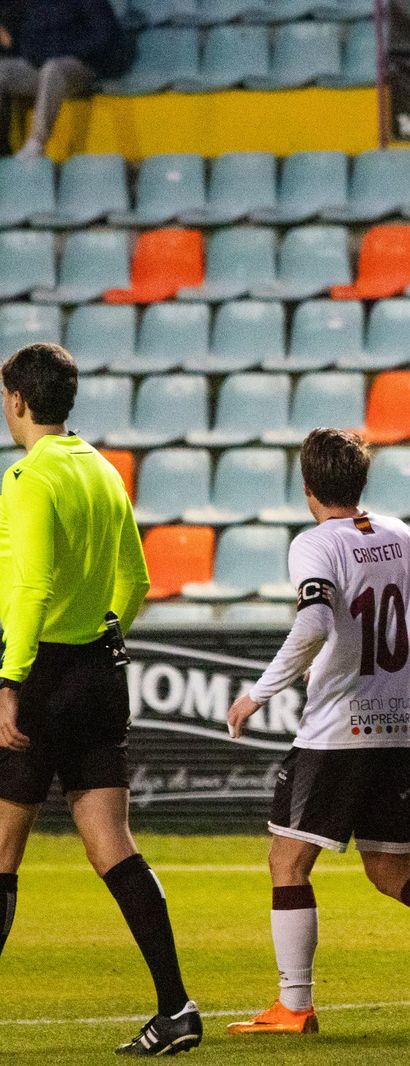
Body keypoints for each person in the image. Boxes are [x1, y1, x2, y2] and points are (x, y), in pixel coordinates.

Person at [224, 428, 410, 1037]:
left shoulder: (314, 544)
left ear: (307, 487)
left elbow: (312, 621)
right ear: (361, 482)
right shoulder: (398, 533)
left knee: (288, 859)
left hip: (336, 730)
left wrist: (260, 691)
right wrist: (382, 653)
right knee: (389, 868)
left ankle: (295, 1004)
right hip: (394, 727)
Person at [0, 342, 200, 1056]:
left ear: (18, 400)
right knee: (113, 846)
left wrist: (10, 680)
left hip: (44, 674)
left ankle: (178, 1009)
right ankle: (176, 1007)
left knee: (1, 853)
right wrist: (111, 633)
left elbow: (27, 589)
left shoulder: (28, 478)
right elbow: (137, 580)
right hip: (99, 670)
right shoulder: (103, 472)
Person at [0, 0, 132, 158]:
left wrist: (57, 52)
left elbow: (103, 36)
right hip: (46, 63)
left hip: (85, 65)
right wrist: (24, 49)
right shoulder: (35, 5)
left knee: (53, 68)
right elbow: (29, 41)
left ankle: (36, 144)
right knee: (4, 70)